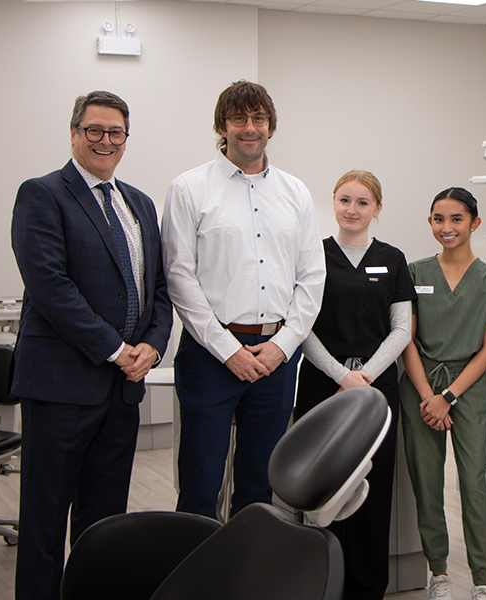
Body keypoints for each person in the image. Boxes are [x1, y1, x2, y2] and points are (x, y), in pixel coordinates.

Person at [10, 90, 172, 600]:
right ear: (75, 132)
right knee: (44, 519)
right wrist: (115, 348)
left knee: (105, 523)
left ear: (127, 138)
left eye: (116, 132)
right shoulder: (42, 193)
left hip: (121, 390)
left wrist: (151, 344)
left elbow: (159, 289)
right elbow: (50, 287)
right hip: (60, 384)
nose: (106, 141)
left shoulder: (140, 203)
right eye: (95, 131)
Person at [162, 80, 325, 519]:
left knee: (259, 484)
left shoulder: (296, 193)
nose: (249, 127)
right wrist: (227, 350)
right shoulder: (188, 189)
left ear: (271, 126)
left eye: (258, 118)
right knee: (200, 480)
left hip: (276, 359)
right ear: (222, 125)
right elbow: (179, 277)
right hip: (210, 356)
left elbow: (312, 278)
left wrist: (283, 346)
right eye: (239, 118)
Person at [294, 170, 416, 600]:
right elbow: (301, 326)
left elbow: (402, 329)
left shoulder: (393, 258)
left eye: (363, 202)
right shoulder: (314, 254)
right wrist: (340, 374)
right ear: (333, 203)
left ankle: (366, 589)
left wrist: (364, 376)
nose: (352, 209)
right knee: (321, 489)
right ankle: (320, 584)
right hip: (321, 389)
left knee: (372, 490)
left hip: (376, 393)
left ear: (377, 209)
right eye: (344, 200)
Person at [399, 187, 486, 600]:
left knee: (473, 482)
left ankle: (482, 579)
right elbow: (405, 341)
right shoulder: (414, 272)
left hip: (470, 389)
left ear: (474, 224)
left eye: (457, 219)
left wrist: (449, 396)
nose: (447, 227)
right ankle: (438, 572)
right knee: (427, 483)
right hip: (420, 386)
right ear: (430, 223)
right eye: (438, 219)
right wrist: (429, 396)